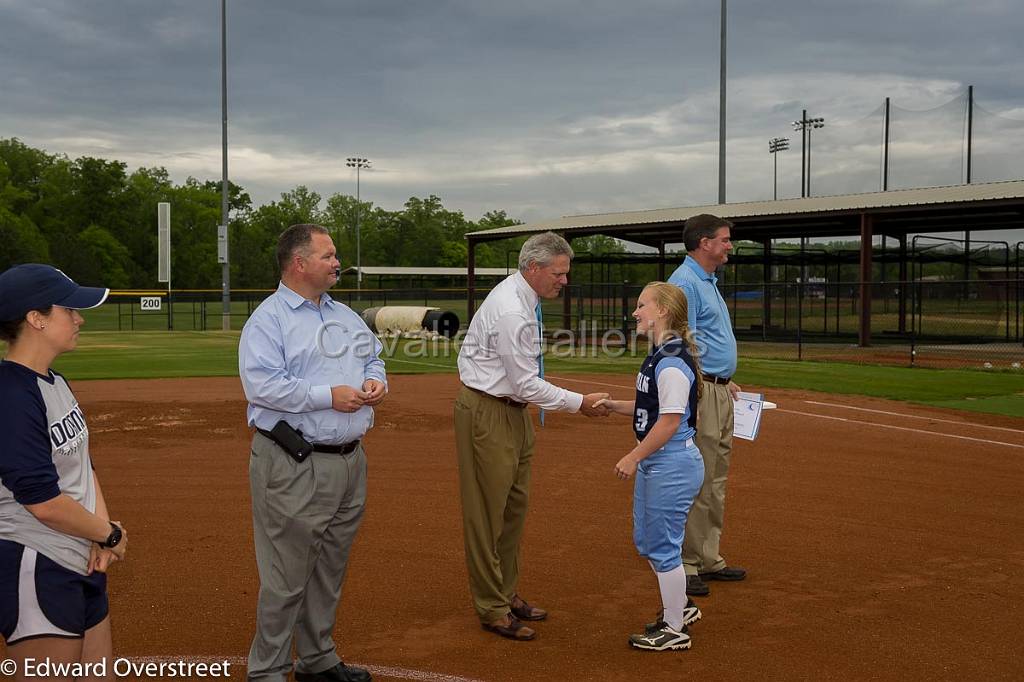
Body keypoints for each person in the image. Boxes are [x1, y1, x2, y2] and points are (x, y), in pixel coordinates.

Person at [239, 224, 386, 682]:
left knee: (328, 569)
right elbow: (261, 385)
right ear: (299, 263)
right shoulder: (269, 319)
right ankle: (266, 671)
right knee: (285, 578)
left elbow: (374, 357)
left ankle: (318, 658)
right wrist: (329, 395)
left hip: (349, 460)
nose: (337, 262)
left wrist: (375, 381)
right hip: (293, 463)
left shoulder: (344, 315)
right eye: (328, 255)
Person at [455, 231, 610, 641]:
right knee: (488, 515)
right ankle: (492, 607)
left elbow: (522, 387)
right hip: (490, 411)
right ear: (533, 268)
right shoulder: (513, 310)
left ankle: (505, 592)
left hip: (511, 412)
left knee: (513, 508)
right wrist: (580, 402)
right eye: (558, 273)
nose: (564, 280)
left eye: (565, 273)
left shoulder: (525, 299)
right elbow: (525, 384)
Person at [0, 264, 127, 681]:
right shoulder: (11, 397)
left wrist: (100, 528)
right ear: (35, 319)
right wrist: (107, 533)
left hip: (79, 558)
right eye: (68, 309)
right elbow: (42, 502)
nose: (79, 318)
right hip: (37, 562)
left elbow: (83, 464)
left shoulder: (53, 381)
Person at [596, 282, 706, 651]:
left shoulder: (671, 361)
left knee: (662, 547)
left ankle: (674, 629)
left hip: (671, 463)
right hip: (661, 462)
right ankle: (682, 606)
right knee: (648, 541)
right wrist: (616, 406)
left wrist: (633, 456)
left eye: (642, 305)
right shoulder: (661, 354)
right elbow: (654, 408)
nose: (635, 313)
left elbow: (670, 422)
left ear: (662, 311)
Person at [667, 213, 746, 597]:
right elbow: (682, 343)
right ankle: (687, 562)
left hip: (718, 389)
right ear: (704, 243)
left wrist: (724, 379)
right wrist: (699, 390)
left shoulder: (707, 281)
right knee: (698, 476)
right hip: (701, 393)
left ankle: (708, 556)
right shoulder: (684, 283)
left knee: (715, 476)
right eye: (725, 239)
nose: (729, 245)